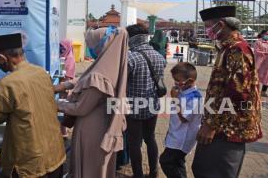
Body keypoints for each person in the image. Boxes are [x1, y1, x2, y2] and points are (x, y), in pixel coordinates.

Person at [192, 6, 262, 178]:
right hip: (220, 123)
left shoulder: (238, 49)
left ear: (221, 25)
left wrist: (211, 124)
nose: (206, 31)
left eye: (208, 26)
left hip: (228, 127)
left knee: (216, 172)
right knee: (202, 168)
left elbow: (237, 93)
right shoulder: (227, 48)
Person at [0, 33, 66, 178]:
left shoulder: (6, 84)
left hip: (29, 162)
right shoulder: (41, 73)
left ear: (3, 58)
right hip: (55, 153)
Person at [56, 26, 128, 178]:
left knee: (89, 168)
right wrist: (65, 85)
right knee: (99, 169)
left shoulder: (99, 74)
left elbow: (80, 108)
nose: (91, 50)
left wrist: (55, 104)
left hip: (92, 130)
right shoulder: (112, 66)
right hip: (104, 124)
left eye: (92, 45)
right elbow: (84, 79)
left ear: (102, 45)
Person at [125, 24, 166, 178]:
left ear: (131, 39)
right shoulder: (159, 56)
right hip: (153, 105)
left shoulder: (130, 57)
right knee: (150, 138)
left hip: (134, 107)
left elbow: (122, 82)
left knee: (134, 142)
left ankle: (138, 174)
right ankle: (154, 172)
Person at [160, 62, 202, 178]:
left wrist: (174, 98)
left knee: (166, 161)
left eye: (178, 81)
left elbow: (184, 117)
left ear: (190, 81)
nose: (176, 84)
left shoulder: (194, 97)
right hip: (176, 135)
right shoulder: (183, 91)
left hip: (182, 139)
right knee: (177, 163)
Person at [253, 30, 268, 98]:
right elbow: (256, 51)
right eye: (267, 34)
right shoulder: (258, 42)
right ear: (263, 34)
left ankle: (263, 92)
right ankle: (254, 92)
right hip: (260, 63)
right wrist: (267, 53)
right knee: (256, 77)